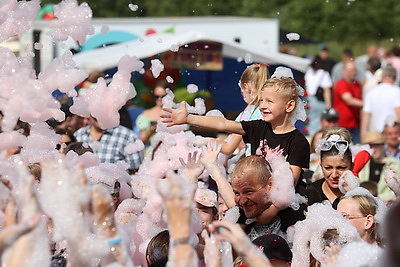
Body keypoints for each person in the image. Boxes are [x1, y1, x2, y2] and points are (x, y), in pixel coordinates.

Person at [161, 76, 310, 186]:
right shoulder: (258, 127)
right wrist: (188, 118)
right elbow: (224, 124)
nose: (263, 106)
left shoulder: (298, 141)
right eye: (261, 101)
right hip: (253, 196)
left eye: (269, 101)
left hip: (281, 208)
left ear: (289, 106)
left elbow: (290, 183)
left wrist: (268, 213)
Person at [218, 63, 269, 156]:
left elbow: (228, 148)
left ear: (246, 86)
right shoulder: (271, 109)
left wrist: (205, 141)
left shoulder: (247, 115)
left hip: (254, 165)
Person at [74, 116, 142, 174]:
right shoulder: (78, 135)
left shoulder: (128, 136)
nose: (99, 116)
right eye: (94, 113)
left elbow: (135, 171)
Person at [306, 127, 353, 208]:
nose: (334, 175)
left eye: (341, 168)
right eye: (328, 168)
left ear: (352, 166)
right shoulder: (308, 194)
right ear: (320, 165)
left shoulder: (360, 197)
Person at [361, 66, 400, 142]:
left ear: (382, 77)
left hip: (377, 136)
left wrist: (363, 141)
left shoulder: (371, 93)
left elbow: (364, 121)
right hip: (393, 135)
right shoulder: (397, 91)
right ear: (395, 78)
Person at [358, 131, 399, 203]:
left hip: (385, 204)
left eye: (376, 145)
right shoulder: (364, 164)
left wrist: (379, 198)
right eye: (370, 146)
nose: (373, 149)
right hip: (364, 203)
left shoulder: (395, 164)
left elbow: (397, 189)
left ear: (383, 145)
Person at [332, 61, 363, 144]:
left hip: (355, 123)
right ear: (344, 71)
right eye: (350, 70)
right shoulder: (341, 84)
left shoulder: (357, 84)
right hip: (343, 124)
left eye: (354, 70)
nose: (353, 73)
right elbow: (349, 100)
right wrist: (367, 104)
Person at [136, 80, 173, 146]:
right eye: (157, 96)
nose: (160, 99)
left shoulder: (176, 112)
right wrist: (151, 132)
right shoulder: (145, 115)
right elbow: (141, 142)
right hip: (154, 152)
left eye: (163, 96)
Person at [304, 55, 333, 136]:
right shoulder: (324, 73)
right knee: (319, 124)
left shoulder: (308, 71)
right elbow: (326, 90)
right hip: (318, 101)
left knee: (309, 124)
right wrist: (329, 106)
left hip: (307, 100)